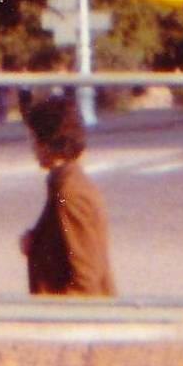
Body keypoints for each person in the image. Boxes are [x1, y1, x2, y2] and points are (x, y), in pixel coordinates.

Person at [20, 97, 116, 297]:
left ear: (47, 142)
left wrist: (60, 318)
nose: (32, 147)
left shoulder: (70, 193)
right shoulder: (64, 183)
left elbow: (86, 278)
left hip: (80, 322)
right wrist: (35, 241)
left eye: (33, 139)